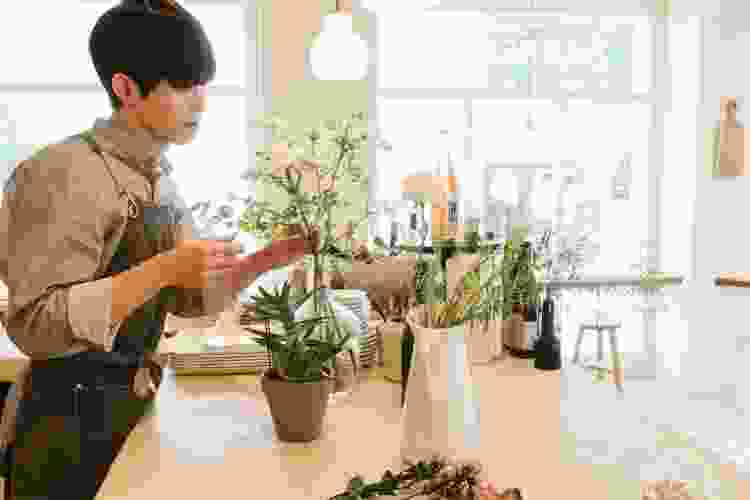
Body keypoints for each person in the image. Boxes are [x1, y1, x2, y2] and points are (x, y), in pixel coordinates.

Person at [0, 1, 316, 498]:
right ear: (125, 88)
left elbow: (188, 300)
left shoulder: (159, 175)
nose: (202, 103)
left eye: (204, 85)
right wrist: (164, 267)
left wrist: (262, 262)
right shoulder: (60, 174)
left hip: (131, 409)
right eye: (183, 87)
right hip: (64, 431)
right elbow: (36, 326)